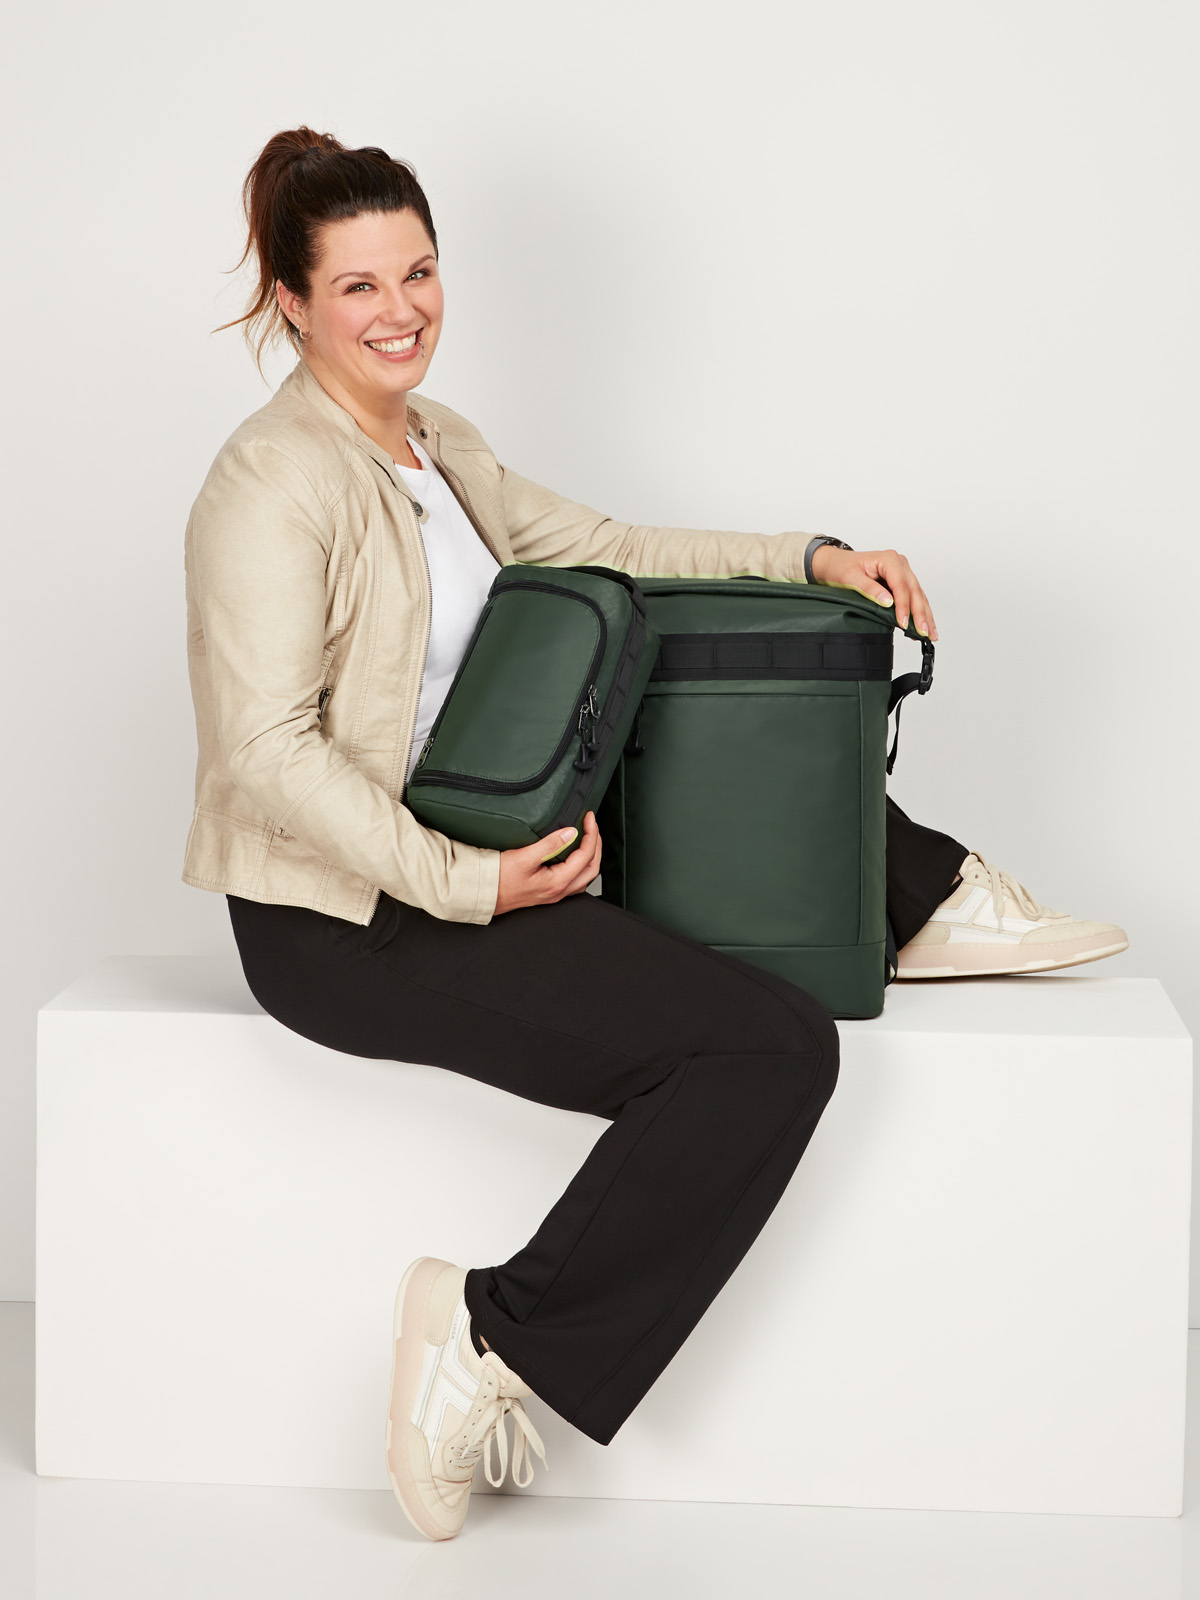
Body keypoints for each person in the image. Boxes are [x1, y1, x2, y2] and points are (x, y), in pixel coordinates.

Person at [183, 127, 1127, 1541]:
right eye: (360, 286)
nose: (401, 310)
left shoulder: (439, 445)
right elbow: (263, 755)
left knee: (662, 687)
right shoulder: (271, 482)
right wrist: (470, 884)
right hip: (350, 920)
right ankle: (483, 1335)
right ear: (295, 302)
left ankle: (914, 895)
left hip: (481, 837)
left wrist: (810, 558)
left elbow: (605, 548)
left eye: (420, 272)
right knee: (767, 1050)